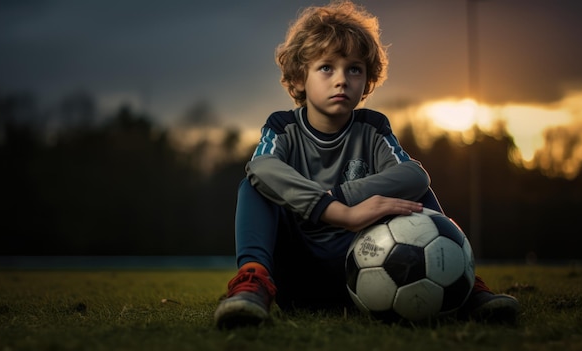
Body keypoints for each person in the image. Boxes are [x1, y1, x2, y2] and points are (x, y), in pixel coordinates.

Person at [214, 0, 519, 329]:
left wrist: (347, 195)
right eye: (326, 67)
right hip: (296, 275)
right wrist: (338, 210)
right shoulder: (282, 127)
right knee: (255, 186)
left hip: (365, 269)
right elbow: (261, 168)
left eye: (354, 69)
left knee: (411, 196)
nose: (341, 80)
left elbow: (415, 175)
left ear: (367, 80)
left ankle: (462, 284)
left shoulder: (372, 129)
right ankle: (253, 282)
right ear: (300, 78)